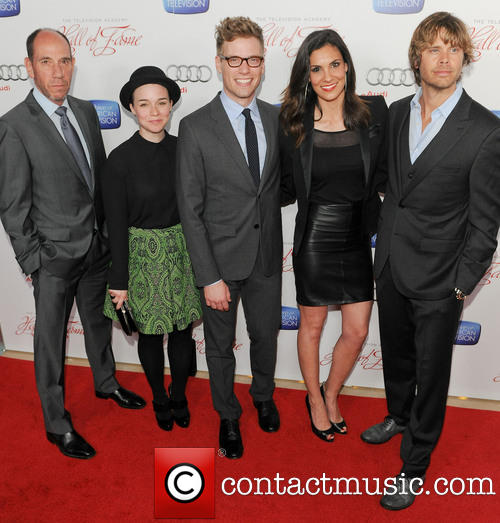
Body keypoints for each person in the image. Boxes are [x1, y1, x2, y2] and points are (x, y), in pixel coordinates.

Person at [360, 12, 500, 510]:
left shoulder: (484, 129)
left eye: (454, 49)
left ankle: (415, 463)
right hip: (392, 264)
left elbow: (486, 222)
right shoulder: (395, 112)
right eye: (433, 48)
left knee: (431, 371)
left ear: (465, 57)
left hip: (442, 280)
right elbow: (388, 185)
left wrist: (461, 285)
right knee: (396, 357)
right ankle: (398, 414)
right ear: (416, 57)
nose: (444, 58)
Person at [0, 28, 145, 460]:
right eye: (46, 62)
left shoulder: (83, 111)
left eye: (64, 60)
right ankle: (56, 423)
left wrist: (105, 236)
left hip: (95, 248)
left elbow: (95, 180)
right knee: (50, 340)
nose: (58, 71)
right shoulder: (13, 127)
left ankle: (105, 383)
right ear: (28, 67)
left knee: (98, 324)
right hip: (54, 257)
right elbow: (12, 204)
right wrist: (35, 261)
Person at [176, 16, 282, 459]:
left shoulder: (279, 119)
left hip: (267, 257)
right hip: (219, 263)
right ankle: (228, 416)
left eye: (253, 59)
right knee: (220, 348)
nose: (245, 68)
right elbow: (189, 209)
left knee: (266, 335)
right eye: (235, 59)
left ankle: (263, 395)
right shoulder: (196, 127)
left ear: (262, 63)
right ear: (219, 63)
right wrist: (207, 276)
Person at [280, 29, 387, 442]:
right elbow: (283, 188)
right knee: (312, 326)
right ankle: (314, 399)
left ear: (347, 66)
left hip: (357, 234)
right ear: (306, 75)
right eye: (316, 68)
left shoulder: (374, 113)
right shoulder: (291, 123)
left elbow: (386, 176)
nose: (327, 76)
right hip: (315, 238)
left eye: (335, 65)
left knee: (357, 329)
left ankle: (332, 390)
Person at [101, 66, 202, 432]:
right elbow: (115, 225)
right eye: (144, 104)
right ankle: (159, 397)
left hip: (182, 251)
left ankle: (179, 395)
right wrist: (119, 282)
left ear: (172, 104)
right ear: (131, 108)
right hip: (141, 256)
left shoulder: (185, 149)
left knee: (180, 333)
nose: (155, 111)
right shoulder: (120, 160)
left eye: (161, 102)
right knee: (149, 334)